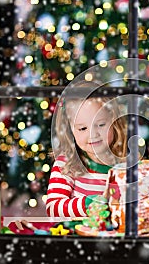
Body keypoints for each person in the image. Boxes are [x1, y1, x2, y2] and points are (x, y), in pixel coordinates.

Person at [46, 87, 126, 218]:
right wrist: (88, 204)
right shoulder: (66, 164)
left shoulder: (125, 164)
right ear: (71, 130)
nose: (93, 134)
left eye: (100, 125)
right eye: (82, 128)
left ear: (113, 120)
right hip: (78, 236)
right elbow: (53, 208)